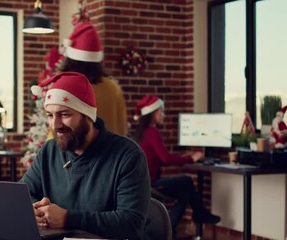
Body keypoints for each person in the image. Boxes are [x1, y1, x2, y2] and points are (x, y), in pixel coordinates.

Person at [22, 72, 150, 239]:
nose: (55, 124)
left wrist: (68, 218)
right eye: (50, 115)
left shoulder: (128, 155)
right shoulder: (49, 151)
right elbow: (24, 193)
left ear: (87, 115)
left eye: (65, 114)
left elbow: (131, 223)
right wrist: (33, 209)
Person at [132, 95, 221, 234]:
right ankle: (198, 214)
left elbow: (162, 157)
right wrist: (190, 159)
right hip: (152, 183)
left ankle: (168, 230)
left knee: (184, 194)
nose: (163, 115)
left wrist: (184, 157)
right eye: (161, 111)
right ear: (152, 113)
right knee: (186, 180)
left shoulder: (141, 132)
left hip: (144, 182)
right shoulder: (152, 132)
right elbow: (166, 158)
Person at [59, 22, 128, 136]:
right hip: (113, 152)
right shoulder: (113, 88)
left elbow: (58, 134)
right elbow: (122, 127)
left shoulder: (67, 89)